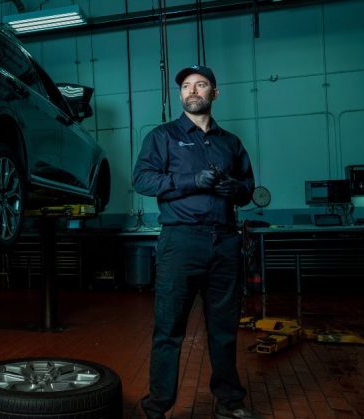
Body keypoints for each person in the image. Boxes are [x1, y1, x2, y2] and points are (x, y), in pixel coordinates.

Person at [133, 65, 259, 419]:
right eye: (186, 86)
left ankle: (229, 401)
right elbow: (142, 179)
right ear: (180, 95)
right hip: (180, 242)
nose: (192, 91)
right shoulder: (162, 137)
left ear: (214, 94)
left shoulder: (230, 143)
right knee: (169, 328)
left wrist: (236, 189)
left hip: (224, 243)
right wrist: (192, 180)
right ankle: (157, 406)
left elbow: (248, 188)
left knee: (223, 328)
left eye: (201, 85)